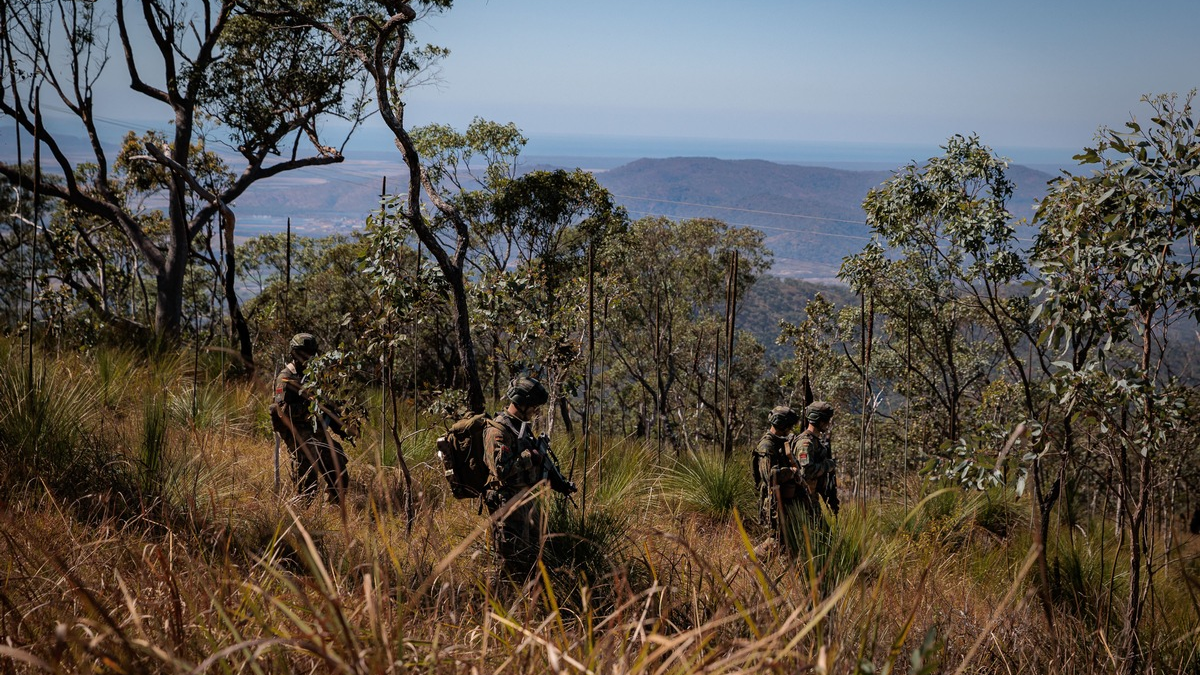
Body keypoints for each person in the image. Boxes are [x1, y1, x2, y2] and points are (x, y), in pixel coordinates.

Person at [482, 377, 557, 582]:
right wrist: (528, 458)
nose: (535, 411)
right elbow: (500, 470)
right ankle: (496, 605)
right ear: (522, 403)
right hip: (506, 503)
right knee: (507, 561)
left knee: (533, 554)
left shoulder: (520, 428)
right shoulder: (497, 430)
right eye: (533, 406)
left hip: (525, 500)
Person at [272, 333, 349, 504]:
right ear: (293, 353)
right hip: (297, 433)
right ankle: (299, 519)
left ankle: (335, 514)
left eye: (310, 353)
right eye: (302, 353)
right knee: (308, 482)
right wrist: (311, 406)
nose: (307, 357)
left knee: (339, 471)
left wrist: (341, 427)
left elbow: (329, 407)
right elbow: (282, 411)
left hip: (317, 432)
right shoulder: (286, 378)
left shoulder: (316, 376)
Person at [753, 405, 803, 553]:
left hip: (783, 500)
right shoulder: (767, 446)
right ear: (783, 424)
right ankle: (747, 564)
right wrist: (791, 472)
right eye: (789, 426)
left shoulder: (779, 442)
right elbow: (770, 476)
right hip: (773, 502)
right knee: (776, 540)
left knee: (783, 541)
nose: (790, 429)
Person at [793, 401, 839, 518]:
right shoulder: (806, 443)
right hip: (803, 500)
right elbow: (806, 471)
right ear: (819, 420)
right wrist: (829, 465)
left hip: (811, 498)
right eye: (826, 420)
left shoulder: (815, 441)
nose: (828, 424)